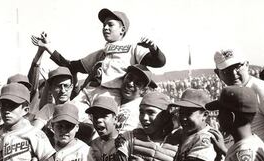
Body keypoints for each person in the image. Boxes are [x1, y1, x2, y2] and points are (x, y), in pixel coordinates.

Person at [31, 8, 166, 105]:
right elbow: (71, 66)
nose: (105, 27)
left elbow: (159, 62)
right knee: (69, 114)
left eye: (110, 24)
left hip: (110, 94)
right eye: (104, 25)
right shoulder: (100, 53)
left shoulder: (132, 47)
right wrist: (48, 47)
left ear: (122, 30)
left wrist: (154, 49)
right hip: (89, 90)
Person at [132, 89, 224, 161]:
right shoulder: (185, 132)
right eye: (181, 112)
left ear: (205, 115)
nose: (183, 118)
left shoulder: (207, 137)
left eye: (189, 113)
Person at [114, 91, 179, 161]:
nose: (144, 118)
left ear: (164, 116)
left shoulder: (178, 143)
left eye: (150, 112)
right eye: (141, 112)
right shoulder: (128, 138)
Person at [86, 96, 120, 161]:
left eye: (104, 116)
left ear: (115, 119)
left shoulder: (126, 141)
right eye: (95, 117)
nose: (98, 120)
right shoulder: (92, 146)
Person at [116, 64, 157, 133]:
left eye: (137, 83)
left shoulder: (138, 109)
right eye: (129, 77)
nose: (130, 84)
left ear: (143, 90)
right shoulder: (115, 97)